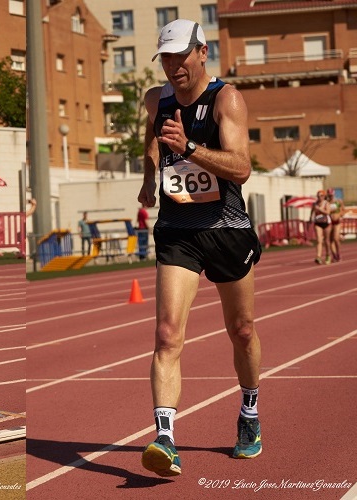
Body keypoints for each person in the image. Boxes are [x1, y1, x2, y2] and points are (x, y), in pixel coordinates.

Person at [138, 19, 263, 477]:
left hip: (226, 227)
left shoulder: (227, 99)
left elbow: (242, 168)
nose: (174, 66)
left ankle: (249, 411)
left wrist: (189, 147)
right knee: (167, 334)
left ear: (202, 52)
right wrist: (149, 175)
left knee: (242, 330)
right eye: (166, 58)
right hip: (177, 229)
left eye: (181, 56)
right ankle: (165, 439)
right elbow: (152, 135)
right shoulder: (156, 100)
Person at [311, 190, 331, 265]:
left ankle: (328, 255)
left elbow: (328, 212)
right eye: (318, 196)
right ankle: (318, 257)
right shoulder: (314, 204)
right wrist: (310, 219)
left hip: (326, 223)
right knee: (319, 240)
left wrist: (320, 209)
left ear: (324, 196)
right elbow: (312, 211)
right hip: (318, 223)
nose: (319, 197)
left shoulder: (326, 203)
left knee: (326, 241)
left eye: (321, 196)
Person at [326, 189, 343, 263]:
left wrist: (340, 215)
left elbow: (343, 209)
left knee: (336, 238)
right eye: (329, 195)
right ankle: (334, 255)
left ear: (334, 194)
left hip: (337, 222)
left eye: (331, 195)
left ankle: (338, 253)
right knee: (330, 240)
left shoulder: (338, 201)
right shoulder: (326, 203)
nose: (330, 196)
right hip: (329, 222)